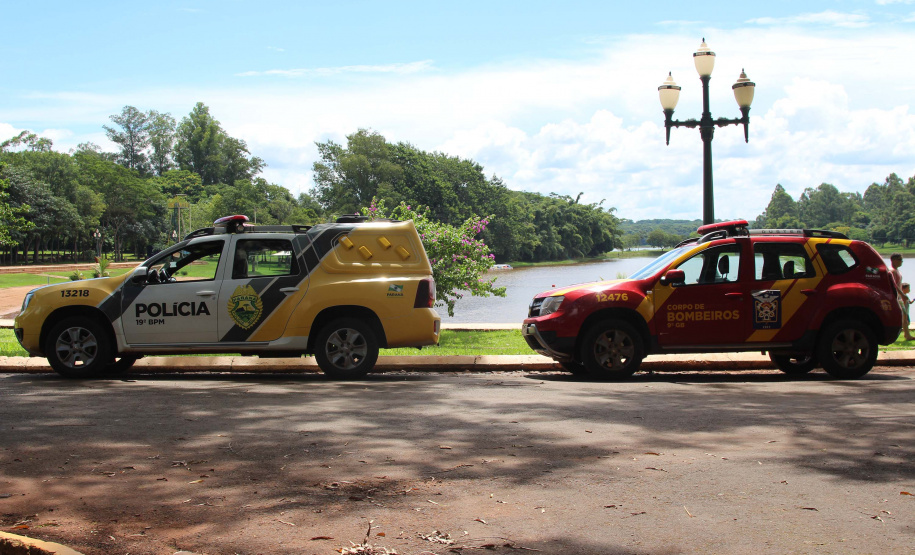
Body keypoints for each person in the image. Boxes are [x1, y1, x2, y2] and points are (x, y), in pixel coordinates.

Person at [888, 253, 912, 339]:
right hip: (895, 298)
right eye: (900, 260)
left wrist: (902, 295)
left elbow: (899, 285)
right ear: (894, 260)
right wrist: (902, 295)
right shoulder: (892, 271)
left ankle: (907, 334)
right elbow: (894, 285)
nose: (901, 262)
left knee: (904, 315)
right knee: (900, 315)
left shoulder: (897, 271)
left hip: (899, 297)